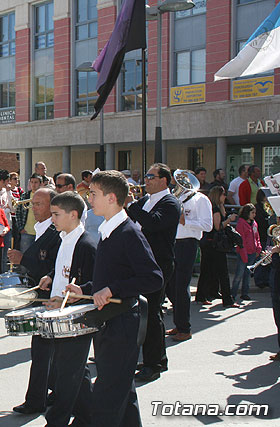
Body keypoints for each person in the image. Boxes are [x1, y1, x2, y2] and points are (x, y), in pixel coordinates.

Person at [64, 170, 162, 427]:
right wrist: (85, 289)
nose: (89, 199)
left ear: (111, 198)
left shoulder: (129, 233)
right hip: (111, 323)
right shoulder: (109, 230)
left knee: (107, 398)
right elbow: (109, 278)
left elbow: (153, 278)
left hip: (122, 326)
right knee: (122, 394)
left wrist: (113, 290)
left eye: (93, 194)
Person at [36, 191, 96, 427]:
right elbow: (65, 270)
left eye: (56, 214)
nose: (52, 219)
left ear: (73, 215)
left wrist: (71, 296)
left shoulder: (87, 245)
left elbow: (93, 283)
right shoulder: (65, 238)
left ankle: (56, 422)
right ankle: (88, 418)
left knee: (65, 375)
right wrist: (50, 277)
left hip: (78, 318)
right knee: (74, 373)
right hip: (62, 313)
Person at [7, 188, 62, 415]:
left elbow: (52, 269)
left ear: (52, 207)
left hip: (49, 299)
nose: (33, 208)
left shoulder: (56, 232)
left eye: (39, 204)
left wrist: (24, 259)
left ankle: (37, 400)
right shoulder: (41, 228)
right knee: (44, 352)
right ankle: (52, 394)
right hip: (40, 296)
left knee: (42, 351)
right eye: (33, 203)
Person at [126, 163, 181, 383]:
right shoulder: (147, 201)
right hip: (143, 264)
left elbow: (154, 223)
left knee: (152, 313)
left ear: (164, 181)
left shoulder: (170, 203)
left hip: (159, 264)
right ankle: (155, 358)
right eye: (146, 176)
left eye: (151, 176)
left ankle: (154, 363)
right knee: (146, 313)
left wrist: (132, 205)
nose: (146, 180)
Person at [167, 176, 213, 342]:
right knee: (171, 284)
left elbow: (207, 225)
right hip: (173, 242)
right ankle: (178, 324)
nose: (179, 186)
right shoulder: (178, 198)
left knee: (181, 285)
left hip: (188, 243)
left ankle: (184, 328)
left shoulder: (201, 199)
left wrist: (185, 221)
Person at [196, 186, 240, 307]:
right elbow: (218, 227)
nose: (225, 196)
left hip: (210, 243)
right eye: (223, 194)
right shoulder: (215, 209)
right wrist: (229, 219)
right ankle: (227, 299)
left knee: (207, 270)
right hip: (215, 244)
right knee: (222, 272)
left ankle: (202, 295)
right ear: (218, 195)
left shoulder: (215, 207)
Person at [232, 203, 261, 302]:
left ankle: (245, 293)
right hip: (243, 252)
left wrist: (258, 248)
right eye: (252, 213)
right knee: (239, 274)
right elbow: (241, 240)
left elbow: (257, 237)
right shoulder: (241, 223)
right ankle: (233, 293)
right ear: (247, 213)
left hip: (252, 252)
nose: (254, 215)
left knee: (247, 274)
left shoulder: (254, 223)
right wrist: (243, 253)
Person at [0, 169, 13, 272]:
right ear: (2, 181)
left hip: (7, 226)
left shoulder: (7, 192)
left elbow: (13, 207)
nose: (8, 183)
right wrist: (5, 210)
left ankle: (4, 274)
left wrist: (9, 192)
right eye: (7, 181)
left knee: (6, 255)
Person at [17, 173, 42, 252]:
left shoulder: (44, 196)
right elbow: (18, 212)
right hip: (26, 232)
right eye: (32, 182)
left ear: (40, 184)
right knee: (24, 257)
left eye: (36, 182)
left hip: (40, 232)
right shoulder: (25, 196)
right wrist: (21, 228)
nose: (33, 184)